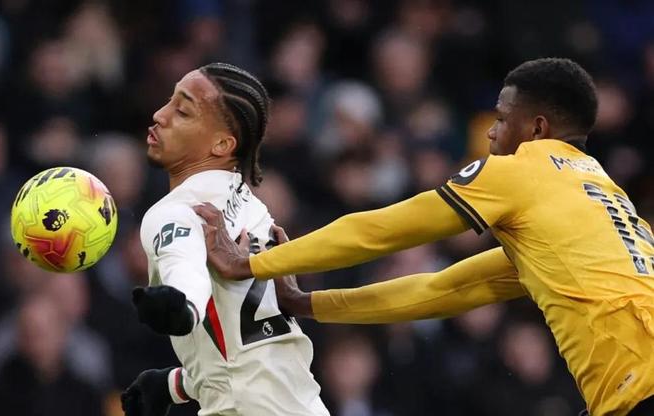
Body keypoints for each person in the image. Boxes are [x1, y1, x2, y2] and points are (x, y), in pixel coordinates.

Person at [195, 58, 654, 416]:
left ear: (537, 128)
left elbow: (380, 230)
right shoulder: (605, 201)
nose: (491, 132)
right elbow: (441, 290)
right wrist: (308, 304)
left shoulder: (523, 171)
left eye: (501, 118)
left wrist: (252, 263)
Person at [121, 62, 329, 416]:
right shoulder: (250, 204)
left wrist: (182, 305)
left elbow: (184, 266)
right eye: (170, 100)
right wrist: (176, 385)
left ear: (221, 144)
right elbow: (251, 346)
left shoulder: (175, 212)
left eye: (182, 111)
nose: (160, 114)